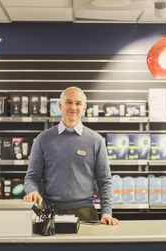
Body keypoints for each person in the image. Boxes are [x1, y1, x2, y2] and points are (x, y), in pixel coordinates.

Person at [24, 86, 118, 226]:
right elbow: (32, 177)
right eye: (68, 102)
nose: (73, 107)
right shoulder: (43, 139)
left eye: (78, 103)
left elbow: (105, 181)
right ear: (60, 105)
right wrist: (32, 191)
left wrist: (106, 213)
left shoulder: (96, 140)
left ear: (84, 108)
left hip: (85, 212)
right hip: (49, 211)